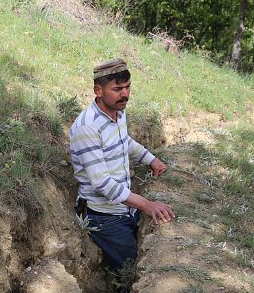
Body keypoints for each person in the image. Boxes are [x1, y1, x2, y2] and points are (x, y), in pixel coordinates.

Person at [69, 58, 175, 271]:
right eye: (117, 89)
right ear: (98, 90)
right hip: (103, 217)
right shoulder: (87, 128)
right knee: (131, 271)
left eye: (127, 87)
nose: (125, 94)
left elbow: (123, 141)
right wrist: (146, 204)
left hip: (124, 209)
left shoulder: (118, 111)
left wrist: (150, 159)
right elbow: (102, 183)